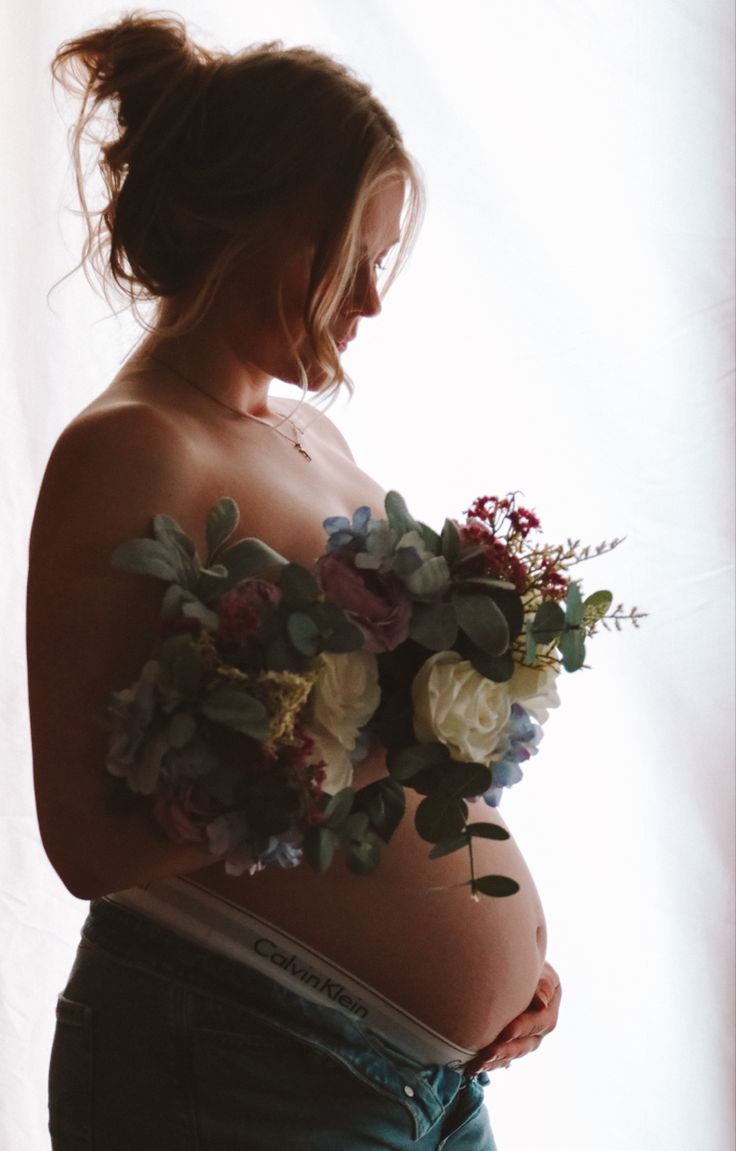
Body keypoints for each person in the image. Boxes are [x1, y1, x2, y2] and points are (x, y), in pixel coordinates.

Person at [29, 14, 561, 1150]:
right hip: (239, 1065)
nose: (368, 300)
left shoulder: (307, 433)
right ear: (250, 221)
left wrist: (506, 961)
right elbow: (86, 841)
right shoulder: (134, 448)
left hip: (417, 1082)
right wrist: (363, 734)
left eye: (380, 260)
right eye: (347, 253)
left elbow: (386, 764)